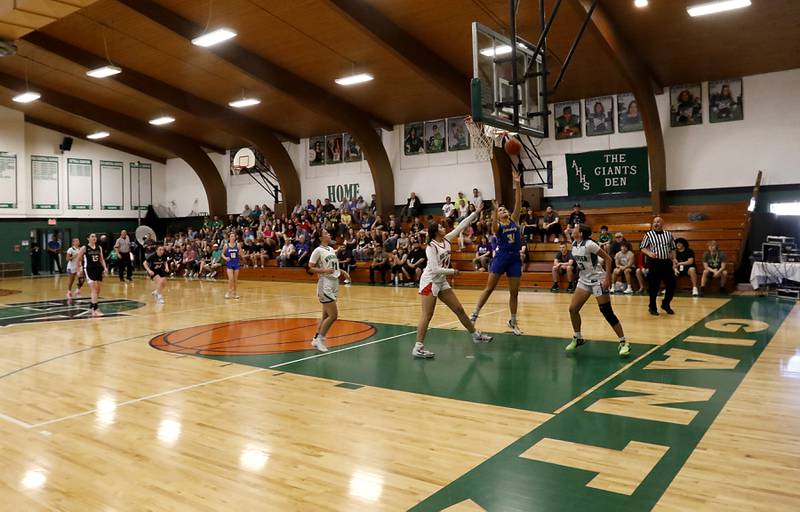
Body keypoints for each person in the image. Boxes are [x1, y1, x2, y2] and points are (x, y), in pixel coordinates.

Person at [413, 202, 492, 359]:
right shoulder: (431, 247)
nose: (445, 228)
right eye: (441, 228)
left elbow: (462, 226)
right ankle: (418, 347)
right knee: (427, 315)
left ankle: (475, 335)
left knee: (459, 309)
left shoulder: (447, 239)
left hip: (441, 281)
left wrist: (475, 213)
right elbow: (434, 269)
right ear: (436, 232)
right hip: (429, 282)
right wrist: (453, 271)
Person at [470, 170, 524, 336]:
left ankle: (513, 321)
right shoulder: (498, 226)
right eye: (501, 210)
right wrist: (494, 211)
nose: (504, 211)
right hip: (501, 257)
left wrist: (516, 183)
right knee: (489, 288)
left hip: (515, 258)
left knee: (514, 292)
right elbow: (493, 226)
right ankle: (475, 314)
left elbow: (518, 202)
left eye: (504, 209)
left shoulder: (514, 219)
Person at [565, 224, 630, 357]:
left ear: (581, 233)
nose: (573, 229)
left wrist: (607, 279)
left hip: (598, 281)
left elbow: (608, 258)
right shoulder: (574, 243)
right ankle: (578, 338)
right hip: (584, 280)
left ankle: (624, 343)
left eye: (575, 228)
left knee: (606, 311)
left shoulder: (590, 244)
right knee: (573, 309)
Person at [308, 229, 351, 353]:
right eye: (326, 233)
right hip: (324, 284)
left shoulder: (331, 249)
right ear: (321, 238)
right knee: (333, 315)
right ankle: (320, 340)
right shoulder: (318, 250)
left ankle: (316, 338)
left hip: (334, 283)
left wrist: (343, 272)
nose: (329, 234)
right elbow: (310, 268)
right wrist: (324, 271)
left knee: (325, 315)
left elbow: (333, 267)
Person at [640, 216, 677, 315]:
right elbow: (643, 248)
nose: (656, 223)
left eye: (658, 222)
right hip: (654, 263)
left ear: (662, 223)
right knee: (654, 286)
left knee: (671, 285)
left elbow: (673, 248)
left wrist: (674, 259)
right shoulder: (649, 234)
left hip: (666, 263)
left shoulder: (668, 234)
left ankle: (665, 304)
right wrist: (649, 253)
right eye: (654, 222)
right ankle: (652, 307)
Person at [78, 233, 108, 317]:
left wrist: (105, 268)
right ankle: (95, 309)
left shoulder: (99, 247)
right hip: (89, 269)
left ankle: (91, 306)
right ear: (88, 238)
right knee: (94, 289)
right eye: (92, 236)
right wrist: (79, 269)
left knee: (98, 289)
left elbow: (101, 259)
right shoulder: (84, 248)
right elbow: (78, 259)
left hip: (98, 269)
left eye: (95, 236)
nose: (94, 238)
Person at [222, 232, 241, 299]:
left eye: (233, 236)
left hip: (236, 263)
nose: (232, 237)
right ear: (229, 237)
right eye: (231, 236)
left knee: (235, 279)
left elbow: (240, 253)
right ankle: (229, 292)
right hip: (229, 263)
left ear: (235, 237)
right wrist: (225, 258)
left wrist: (241, 253)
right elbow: (222, 254)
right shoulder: (226, 245)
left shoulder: (238, 245)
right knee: (231, 278)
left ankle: (235, 293)